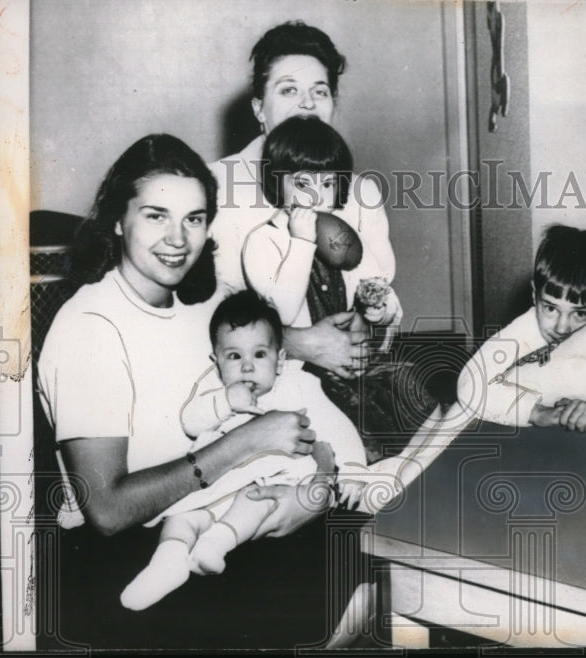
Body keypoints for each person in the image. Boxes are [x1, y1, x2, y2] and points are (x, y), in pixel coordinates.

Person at [36, 134, 361, 650]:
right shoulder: (90, 326)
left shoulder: (203, 310)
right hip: (125, 556)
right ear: (118, 221)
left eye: (193, 218)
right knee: (356, 578)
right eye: (156, 215)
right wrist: (247, 443)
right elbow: (108, 511)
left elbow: (290, 399)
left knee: (369, 539)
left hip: (224, 512)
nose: (178, 238)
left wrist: (315, 490)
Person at [120, 291, 367, 611]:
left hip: (266, 484)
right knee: (180, 518)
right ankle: (167, 563)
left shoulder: (297, 386)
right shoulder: (214, 390)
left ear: (279, 359)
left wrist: (354, 471)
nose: (247, 367)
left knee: (257, 502)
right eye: (234, 357)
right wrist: (225, 402)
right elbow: (191, 422)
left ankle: (216, 543)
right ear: (217, 361)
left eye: (260, 355)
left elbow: (338, 428)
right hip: (216, 484)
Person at [209, 21, 397, 381]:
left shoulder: (359, 192)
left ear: (333, 105)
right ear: (259, 108)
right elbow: (197, 310)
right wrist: (294, 342)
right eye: (288, 90)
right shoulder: (214, 185)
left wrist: (369, 321)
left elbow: (382, 290)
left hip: (351, 376)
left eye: (320, 91)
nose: (307, 103)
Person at [456, 225, 586, 431]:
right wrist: (535, 412)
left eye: (580, 313)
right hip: (510, 426)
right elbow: (469, 384)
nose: (562, 327)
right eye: (551, 308)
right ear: (535, 295)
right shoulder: (528, 327)